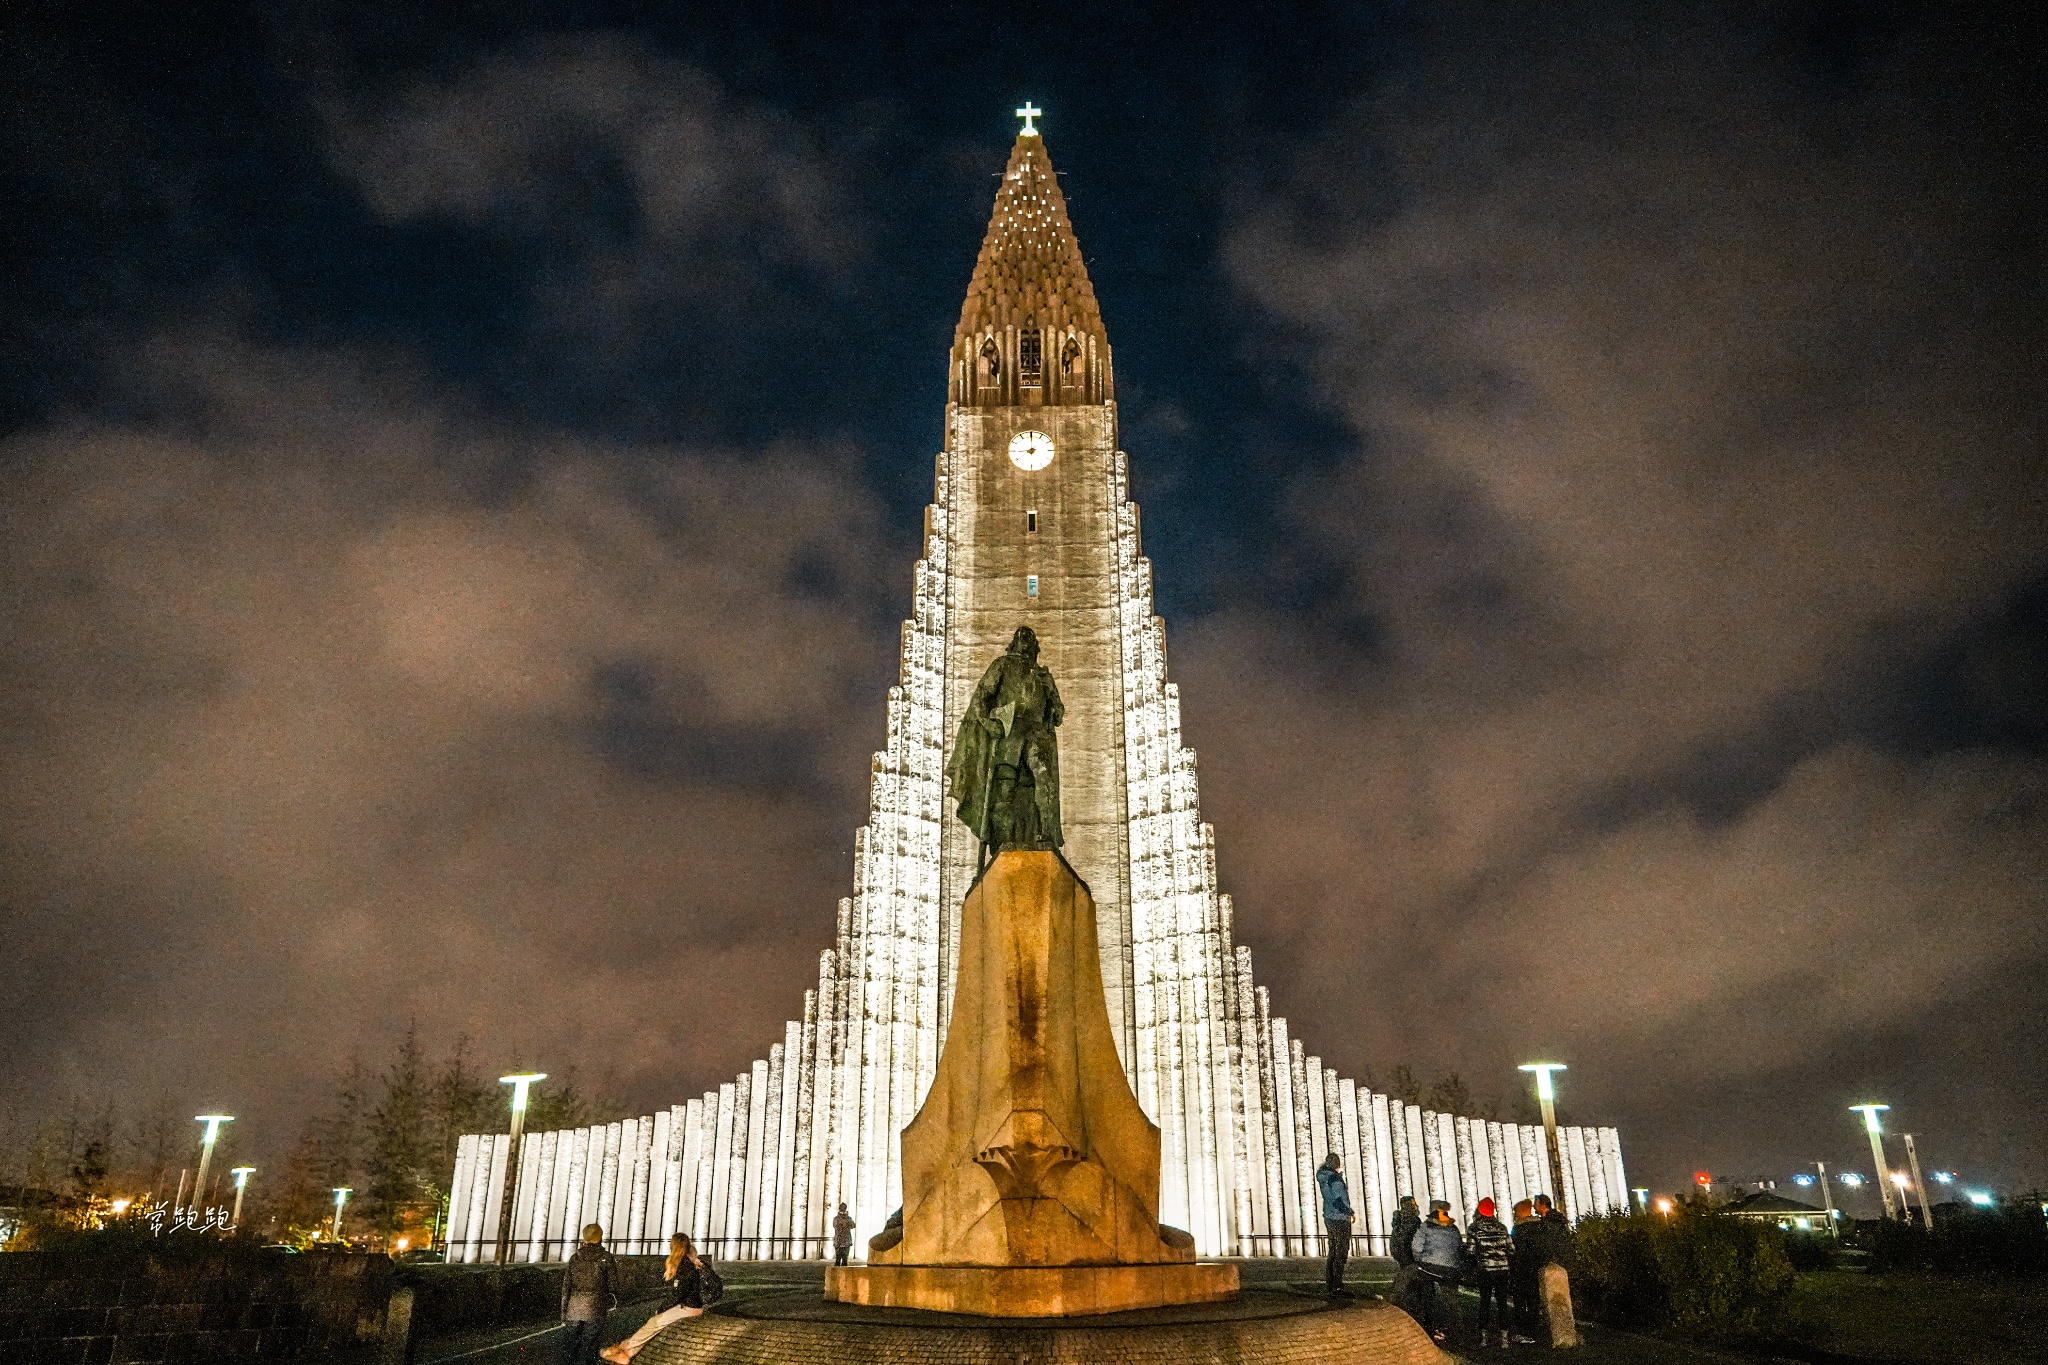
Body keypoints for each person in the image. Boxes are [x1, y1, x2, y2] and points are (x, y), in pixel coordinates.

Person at [600, 1234, 703, 1363]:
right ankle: (625, 1351)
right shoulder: (687, 1263)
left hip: (689, 1308)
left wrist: (661, 1308)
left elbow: (679, 1293)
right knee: (653, 1324)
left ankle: (624, 1351)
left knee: (654, 1323)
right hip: (688, 1306)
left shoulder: (684, 1265)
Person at [557, 1224, 615, 1365]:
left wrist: (564, 1313)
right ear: (600, 1237)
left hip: (573, 1309)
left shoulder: (574, 1258)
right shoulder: (606, 1258)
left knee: (570, 1350)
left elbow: (566, 1287)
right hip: (595, 1308)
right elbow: (613, 1286)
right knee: (590, 1349)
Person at [1409, 1200, 1465, 1343]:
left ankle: (1430, 1327)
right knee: (1452, 1300)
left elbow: (1416, 1246)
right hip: (1451, 1269)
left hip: (1429, 1267)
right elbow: (1459, 1247)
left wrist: (1419, 1259)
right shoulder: (1453, 1228)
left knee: (1427, 1297)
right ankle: (1456, 1330)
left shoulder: (1426, 1226)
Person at [1465, 1197, 1513, 1347]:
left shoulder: (1474, 1228)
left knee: (1484, 1302)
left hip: (1485, 1270)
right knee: (1502, 1303)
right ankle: (1504, 1338)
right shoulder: (1502, 1227)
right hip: (1502, 1270)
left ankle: (1484, 1337)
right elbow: (1511, 1249)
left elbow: (1471, 1251)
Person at [1314, 1153, 1356, 1296]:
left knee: (1333, 1250)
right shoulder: (1334, 1179)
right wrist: (1349, 1212)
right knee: (1341, 1251)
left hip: (1329, 1216)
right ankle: (1337, 1286)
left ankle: (1330, 1283)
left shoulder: (1324, 1178)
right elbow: (1338, 1200)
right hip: (1339, 1218)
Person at [1508, 1198, 1542, 1343]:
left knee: (1520, 1302)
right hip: (1535, 1269)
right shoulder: (1539, 1227)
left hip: (1520, 1270)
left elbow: (1514, 1251)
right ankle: (1535, 1330)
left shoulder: (1519, 1230)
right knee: (1534, 1300)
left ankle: (1523, 1331)